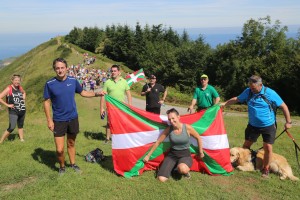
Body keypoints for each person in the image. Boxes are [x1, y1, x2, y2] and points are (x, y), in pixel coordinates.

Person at [221, 75, 292, 178]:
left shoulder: (270, 93)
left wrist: (288, 122)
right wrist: (224, 103)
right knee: (245, 146)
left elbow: (284, 106)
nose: (252, 90)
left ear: (260, 85)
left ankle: (266, 169)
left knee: (267, 147)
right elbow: (237, 99)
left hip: (268, 126)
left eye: (253, 88)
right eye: (250, 87)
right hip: (253, 125)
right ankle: (242, 163)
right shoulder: (248, 91)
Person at [43, 58, 105, 175]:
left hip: (73, 118)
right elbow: (46, 102)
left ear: (66, 68)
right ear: (54, 69)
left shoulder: (73, 80)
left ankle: (73, 164)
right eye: (57, 68)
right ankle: (62, 167)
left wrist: (97, 93)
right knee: (59, 150)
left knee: (71, 144)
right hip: (59, 120)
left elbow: (83, 93)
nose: (60, 70)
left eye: (62, 68)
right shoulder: (49, 84)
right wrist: (49, 120)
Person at [143, 108, 205, 182]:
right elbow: (158, 142)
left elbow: (198, 137)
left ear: (178, 117)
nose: (171, 121)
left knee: (183, 169)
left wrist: (201, 152)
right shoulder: (169, 129)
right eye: (169, 119)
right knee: (161, 179)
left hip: (185, 155)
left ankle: (180, 169)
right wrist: (148, 155)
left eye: (173, 118)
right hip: (172, 155)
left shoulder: (187, 128)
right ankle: (174, 167)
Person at [100, 64, 132, 143]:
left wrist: (130, 105)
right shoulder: (107, 82)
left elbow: (128, 94)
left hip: (121, 107)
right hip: (110, 106)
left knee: (121, 123)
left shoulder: (124, 82)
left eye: (115, 71)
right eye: (112, 71)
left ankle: (119, 138)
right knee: (109, 123)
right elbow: (103, 96)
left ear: (119, 72)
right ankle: (107, 138)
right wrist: (102, 108)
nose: (113, 72)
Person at [0, 74, 26, 143]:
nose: (17, 82)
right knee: (11, 127)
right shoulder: (9, 88)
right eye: (15, 80)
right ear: (12, 80)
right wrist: (7, 105)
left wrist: (24, 98)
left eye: (18, 80)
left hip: (22, 110)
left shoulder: (20, 87)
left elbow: (24, 92)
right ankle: (1, 141)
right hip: (13, 111)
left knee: (20, 125)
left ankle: (21, 139)